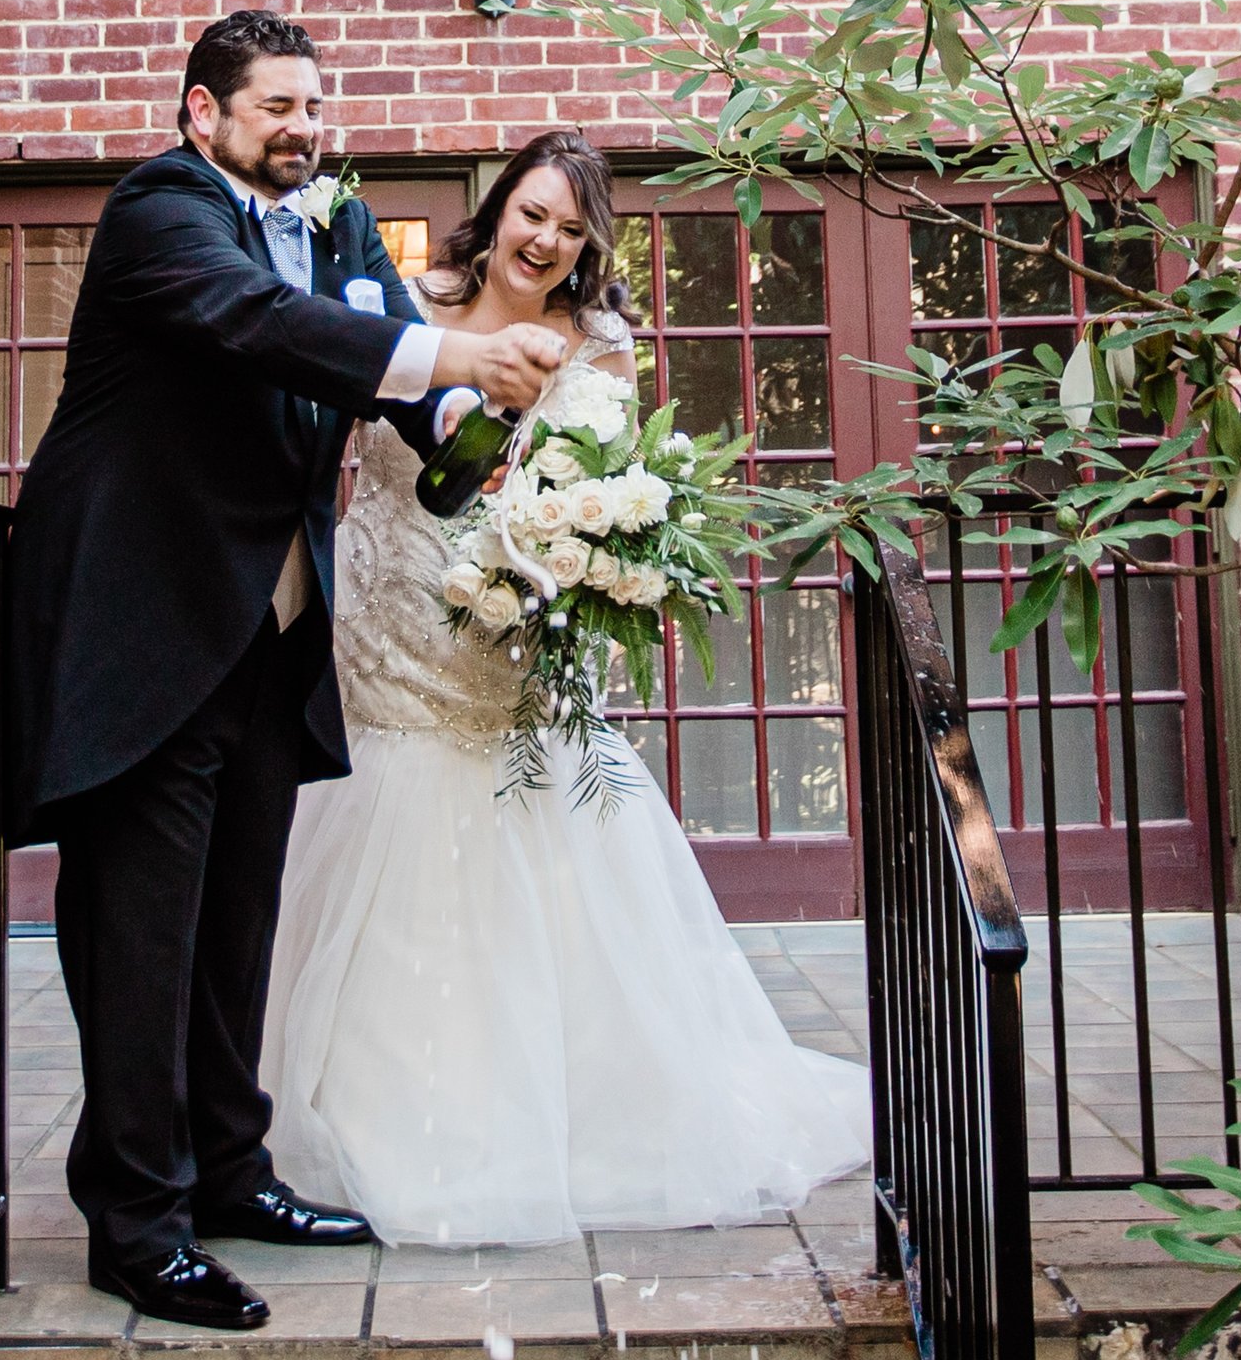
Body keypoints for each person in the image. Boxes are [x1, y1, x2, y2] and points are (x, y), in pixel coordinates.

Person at [8, 11, 568, 1329]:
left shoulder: (336, 220)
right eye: (275, 108)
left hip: (267, 636)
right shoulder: (161, 213)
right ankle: (136, 1224)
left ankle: (229, 1174)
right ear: (203, 114)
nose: (304, 128)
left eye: (314, 106)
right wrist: (458, 352)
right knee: (142, 939)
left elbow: (381, 369)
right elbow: (253, 324)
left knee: (233, 929)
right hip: (148, 632)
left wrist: (461, 420)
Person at [260, 130, 870, 1245]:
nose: (544, 239)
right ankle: (350, 1111)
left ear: (585, 245)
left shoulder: (603, 343)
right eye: (532, 213)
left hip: (518, 646)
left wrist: (592, 568)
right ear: (497, 211)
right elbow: (329, 433)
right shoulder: (408, 300)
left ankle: (540, 1113)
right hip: (391, 632)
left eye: (569, 228)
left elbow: (612, 483)